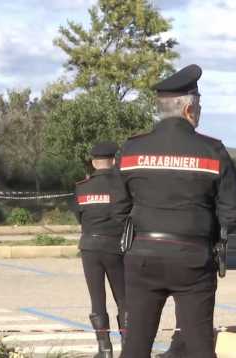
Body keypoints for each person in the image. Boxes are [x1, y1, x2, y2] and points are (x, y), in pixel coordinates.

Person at [115, 64, 236, 358]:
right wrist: (208, 232)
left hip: (142, 257)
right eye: (199, 106)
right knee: (199, 346)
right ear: (190, 109)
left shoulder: (131, 150)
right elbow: (233, 211)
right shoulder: (212, 150)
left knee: (135, 346)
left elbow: (118, 205)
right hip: (193, 260)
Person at [74, 141, 131, 358]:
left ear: (92, 162)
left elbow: (80, 216)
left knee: (96, 298)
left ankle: (104, 349)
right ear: (114, 160)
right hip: (115, 246)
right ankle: (127, 347)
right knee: (123, 299)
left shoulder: (81, 187)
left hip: (89, 247)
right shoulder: (122, 184)